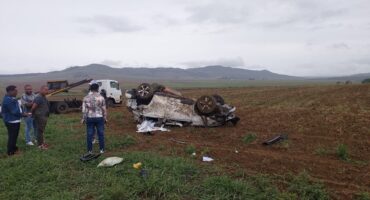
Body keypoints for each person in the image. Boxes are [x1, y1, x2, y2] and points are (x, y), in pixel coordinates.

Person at [1, 85, 30, 156]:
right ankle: (10, 152)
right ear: (10, 91)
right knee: (12, 136)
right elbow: (15, 111)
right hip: (11, 121)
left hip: (14, 120)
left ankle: (14, 148)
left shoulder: (10, 98)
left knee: (14, 136)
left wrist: (17, 101)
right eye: (15, 91)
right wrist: (24, 114)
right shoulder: (8, 100)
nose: (17, 92)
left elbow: (16, 108)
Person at [81, 83, 107, 154]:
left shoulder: (86, 98)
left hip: (90, 118)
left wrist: (83, 118)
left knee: (89, 134)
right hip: (99, 118)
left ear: (90, 89)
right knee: (101, 134)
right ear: (98, 89)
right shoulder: (101, 97)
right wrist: (105, 118)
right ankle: (101, 150)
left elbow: (84, 110)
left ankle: (90, 151)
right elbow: (104, 109)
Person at [30, 85, 50, 150]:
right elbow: (33, 107)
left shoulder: (43, 97)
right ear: (41, 90)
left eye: (47, 90)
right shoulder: (39, 97)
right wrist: (32, 114)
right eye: (45, 90)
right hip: (40, 116)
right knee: (40, 131)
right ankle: (40, 145)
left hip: (43, 116)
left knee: (41, 130)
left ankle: (42, 143)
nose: (47, 91)